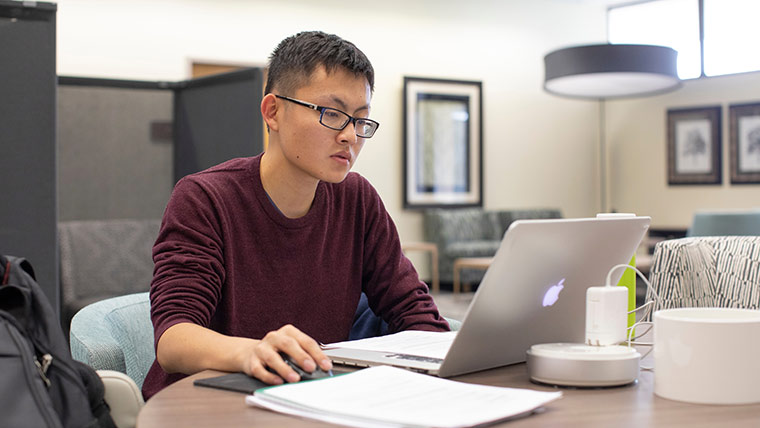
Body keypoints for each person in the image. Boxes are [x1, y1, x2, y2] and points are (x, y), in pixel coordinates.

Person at [142, 31, 450, 399]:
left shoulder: (357, 199)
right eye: (332, 114)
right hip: (208, 402)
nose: (350, 136)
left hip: (312, 399)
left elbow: (413, 311)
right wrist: (250, 351)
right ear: (273, 112)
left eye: (361, 120)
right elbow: (174, 339)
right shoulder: (205, 198)